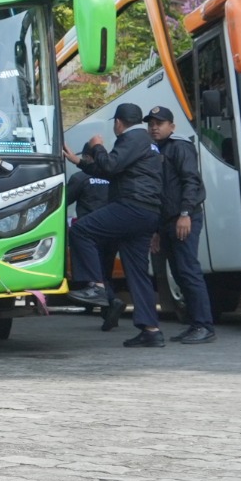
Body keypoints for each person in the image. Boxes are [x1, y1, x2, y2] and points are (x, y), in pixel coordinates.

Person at [62, 101, 167, 347]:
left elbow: (109, 165)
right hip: (147, 212)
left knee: (80, 230)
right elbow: (112, 173)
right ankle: (151, 330)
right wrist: (80, 162)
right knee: (137, 272)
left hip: (132, 206)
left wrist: (97, 147)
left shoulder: (132, 139)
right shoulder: (147, 143)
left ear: (118, 124)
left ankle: (96, 285)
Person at [146, 106, 216, 344]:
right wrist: (156, 230)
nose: (154, 127)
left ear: (172, 127)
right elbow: (158, 193)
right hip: (166, 222)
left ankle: (204, 326)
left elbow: (191, 182)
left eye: (160, 123)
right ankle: (194, 323)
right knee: (178, 273)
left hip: (184, 218)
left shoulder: (180, 146)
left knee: (188, 271)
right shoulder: (155, 150)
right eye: (151, 123)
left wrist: (185, 213)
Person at [64, 143, 122, 331]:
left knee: (94, 275)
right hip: (113, 232)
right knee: (105, 273)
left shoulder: (81, 177)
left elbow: (62, 200)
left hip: (89, 234)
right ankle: (108, 312)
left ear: (87, 158)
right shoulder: (113, 177)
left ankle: (112, 302)